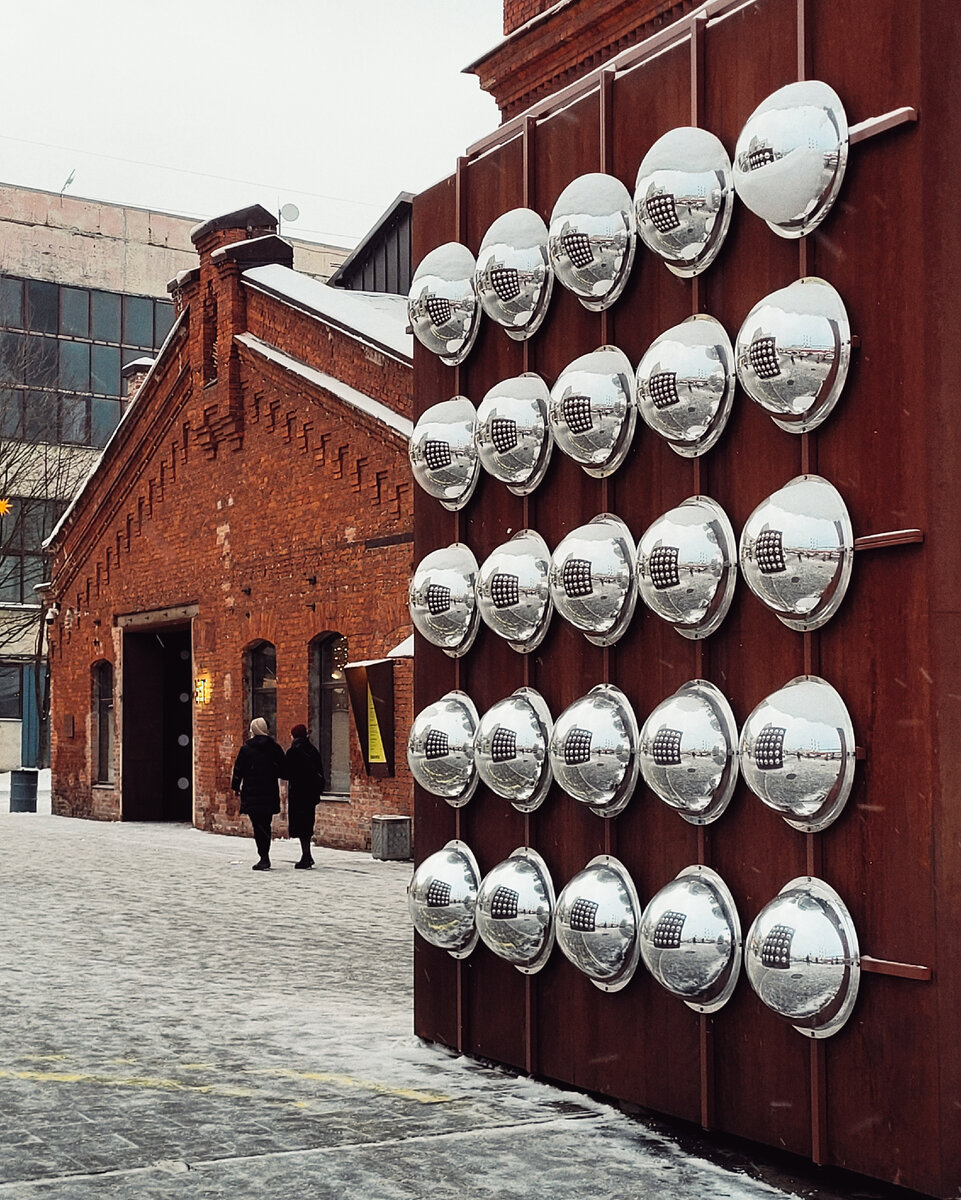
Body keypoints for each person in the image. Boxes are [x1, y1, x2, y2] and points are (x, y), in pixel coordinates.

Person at [231, 717, 286, 870]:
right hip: (269, 791)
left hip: (252, 792)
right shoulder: (274, 748)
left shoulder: (246, 749)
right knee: (266, 824)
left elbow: (238, 769)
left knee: (258, 825)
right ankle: (265, 855)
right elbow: (284, 770)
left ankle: (263, 857)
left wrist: (236, 786)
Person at [285, 723, 326, 869]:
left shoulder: (292, 752)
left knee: (301, 826)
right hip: (310, 794)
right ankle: (307, 855)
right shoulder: (313, 750)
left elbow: (286, 773)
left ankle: (306, 856)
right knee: (307, 824)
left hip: (298, 793)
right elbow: (320, 771)